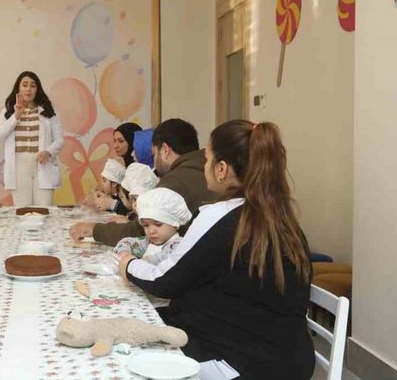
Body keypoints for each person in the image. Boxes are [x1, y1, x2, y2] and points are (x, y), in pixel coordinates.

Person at [118, 120, 315, 380]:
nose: (204, 167)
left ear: (221, 169)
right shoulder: (282, 219)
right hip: (291, 361)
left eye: (207, 159)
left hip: (241, 366)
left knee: (129, 356)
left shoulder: (221, 217)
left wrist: (128, 263)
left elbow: (164, 281)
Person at [70, 118, 216, 246]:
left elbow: (138, 232)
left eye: (154, 154)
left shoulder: (174, 181)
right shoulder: (205, 170)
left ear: (165, 150)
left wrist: (94, 229)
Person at [0, 71, 63, 206]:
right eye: (25, 85)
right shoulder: (8, 111)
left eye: (32, 85)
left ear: (37, 89)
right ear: (18, 88)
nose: (28, 89)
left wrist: (48, 152)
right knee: (22, 212)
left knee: (43, 211)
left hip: (43, 166)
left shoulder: (48, 111)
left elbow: (59, 139)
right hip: (19, 169)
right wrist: (16, 116)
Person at [113, 188, 192, 308]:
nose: (151, 230)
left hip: (164, 306)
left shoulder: (178, 245)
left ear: (175, 223)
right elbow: (126, 241)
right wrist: (124, 253)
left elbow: (165, 260)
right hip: (143, 298)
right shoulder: (149, 242)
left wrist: (138, 263)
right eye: (145, 225)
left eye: (158, 224)